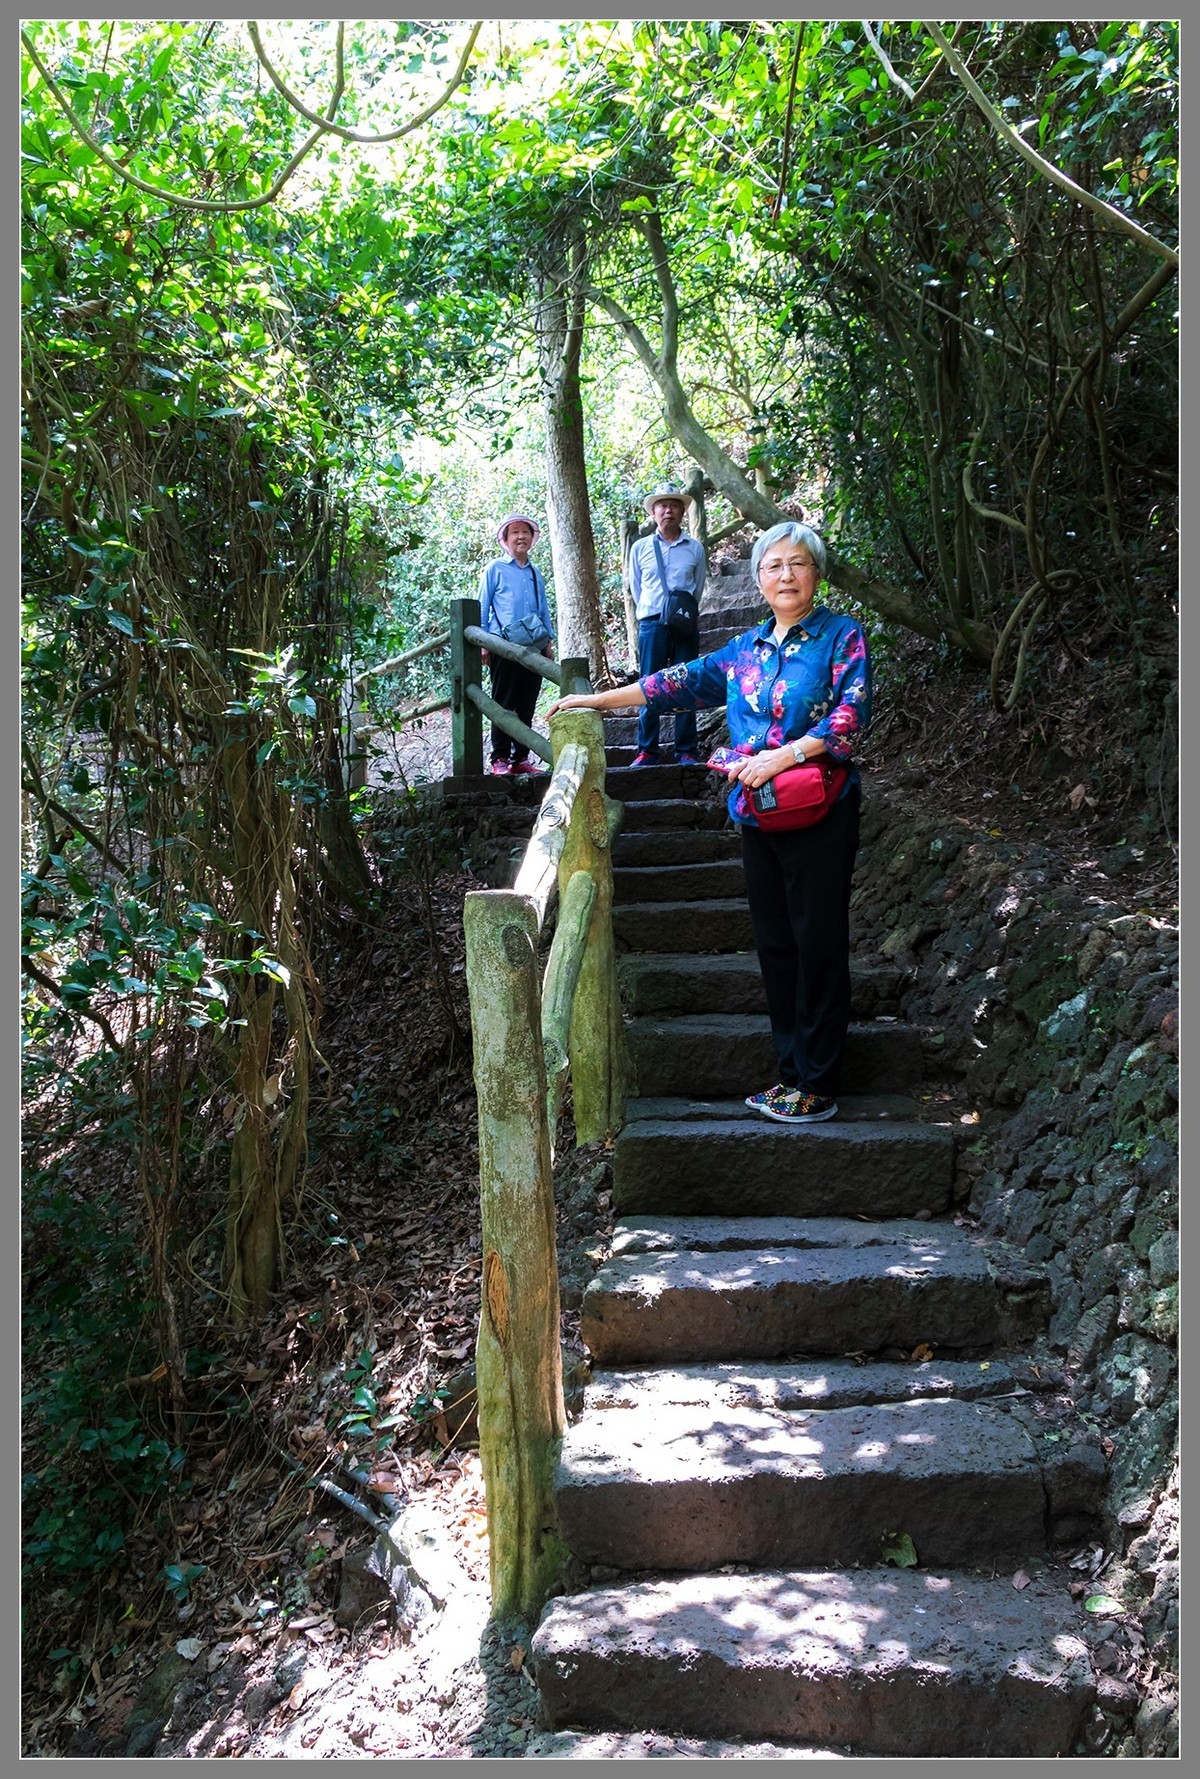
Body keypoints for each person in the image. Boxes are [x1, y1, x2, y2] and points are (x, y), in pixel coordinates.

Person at [548, 520, 871, 1125]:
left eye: (797, 564)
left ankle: (820, 1083)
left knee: (817, 942)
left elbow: (852, 715)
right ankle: (790, 1075)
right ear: (757, 578)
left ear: (816, 574)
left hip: (820, 808)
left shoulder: (841, 636)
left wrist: (784, 754)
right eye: (773, 566)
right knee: (776, 946)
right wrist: (594, 700)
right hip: (757, 815)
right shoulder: (743, 650)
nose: (785, 576)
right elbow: (674, 683)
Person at [627, 482, 707, 767]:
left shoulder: (695, 549)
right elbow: (636, 588)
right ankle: (647, 750)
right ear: (653, 512)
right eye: (662, 505)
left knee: (685, 683)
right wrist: (654, 611)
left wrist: (679, 611)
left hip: (684, 624)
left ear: (683, 511)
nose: (668, 510)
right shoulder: (639, 548)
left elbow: (697, 588)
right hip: (651, 624)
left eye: (674, 505)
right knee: (648, 685)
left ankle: (686, 750)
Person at [478, 513, 556, 776]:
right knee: (503, 701)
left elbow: (542, 608)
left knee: (527, 702)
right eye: (515, 533)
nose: (520, 537)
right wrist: (483, 644)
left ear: (532, 539)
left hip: (533, 646)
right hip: (503, 645)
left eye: (525, 532)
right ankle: (499, 758)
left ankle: (521, 757)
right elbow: (483, 606)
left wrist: (549, 641)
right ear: (505, 539)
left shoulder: (535, 573)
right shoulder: (495, 569)